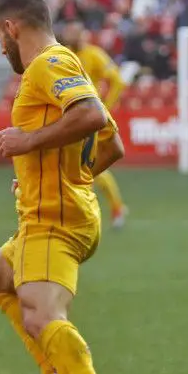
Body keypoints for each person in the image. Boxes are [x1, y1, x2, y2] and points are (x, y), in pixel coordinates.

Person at [0, 0, 127, 374]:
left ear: (11, 28)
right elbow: (112, 146)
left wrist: (28, 144)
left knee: (42, 314)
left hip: (54, 219)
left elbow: (92, 115)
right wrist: (53, 176)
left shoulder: (48, 64)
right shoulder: (65, 65)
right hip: (53, 209)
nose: (0, 48)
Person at [62, 22, 128, 227]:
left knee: (86, 165)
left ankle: (110, 209)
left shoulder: (95, 54)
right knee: (76, 165)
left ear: (83, 34)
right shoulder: (64, 56)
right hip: (72, 117)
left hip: (89, 119)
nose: (70, 35)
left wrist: (106, 108)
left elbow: (118, 81)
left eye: (74, 32)